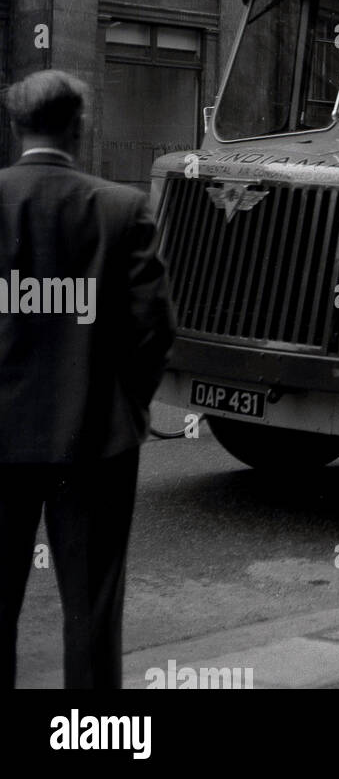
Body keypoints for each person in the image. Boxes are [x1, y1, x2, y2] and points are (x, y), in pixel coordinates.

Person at [0, 70, 175, 690]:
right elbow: (154, 328)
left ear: (17, 127)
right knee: (93, 615)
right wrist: (124, 404)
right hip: (96, 443)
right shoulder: (120, 209)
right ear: (79, 126)